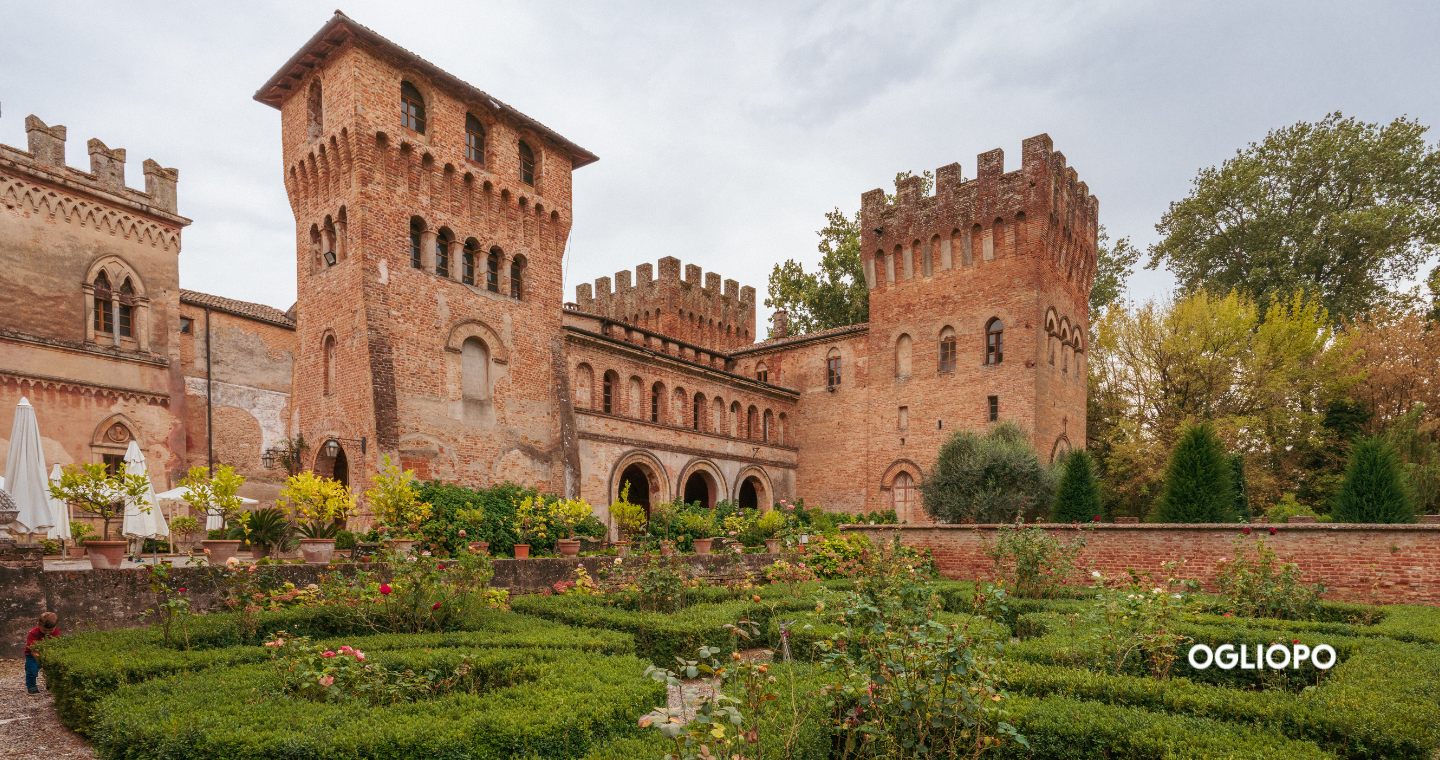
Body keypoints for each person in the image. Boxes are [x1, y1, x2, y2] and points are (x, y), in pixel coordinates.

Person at [24, 612, 60, 694]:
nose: (47, 632)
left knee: (51, 669)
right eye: (44, 630)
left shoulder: (56, 632)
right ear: (38, 624)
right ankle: (31, 686)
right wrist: (40, 658)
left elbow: (56, 645)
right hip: (32, 655)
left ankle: (50, 684)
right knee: (32, 669)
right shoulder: (33, 633)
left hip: (48, 654)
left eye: (50, 630)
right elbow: (33, 649)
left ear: (55, 626)